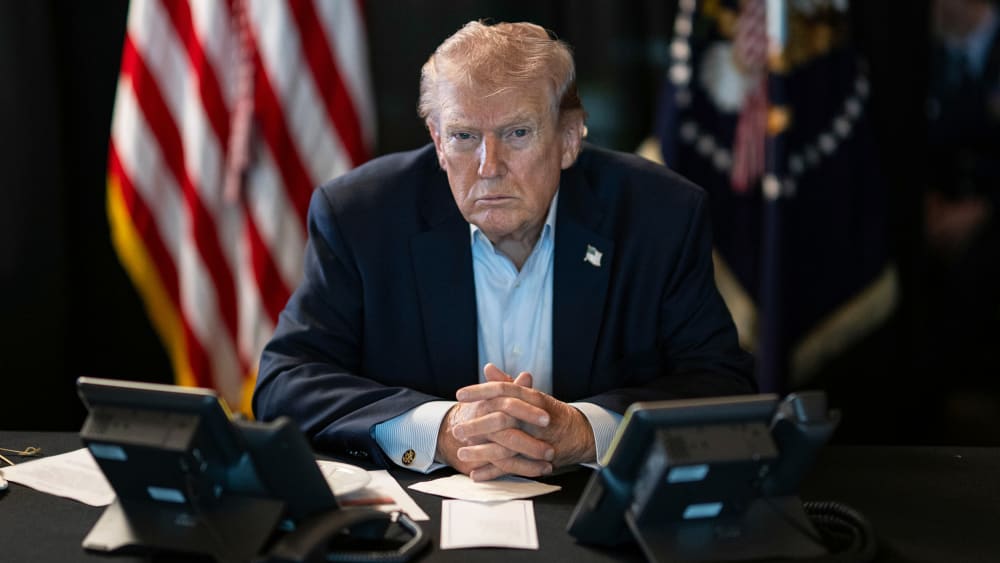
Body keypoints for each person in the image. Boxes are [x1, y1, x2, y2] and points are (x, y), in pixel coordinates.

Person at [253, 20, 755, 481]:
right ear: (437, 141)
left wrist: (587, 430)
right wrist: (439, 429)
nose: (488, 166)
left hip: (594, 515)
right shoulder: (360, 215)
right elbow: (286, 382)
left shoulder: (660, 214)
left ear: (569, 137)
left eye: (517, 133)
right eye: (464, 136)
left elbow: (722, 385)